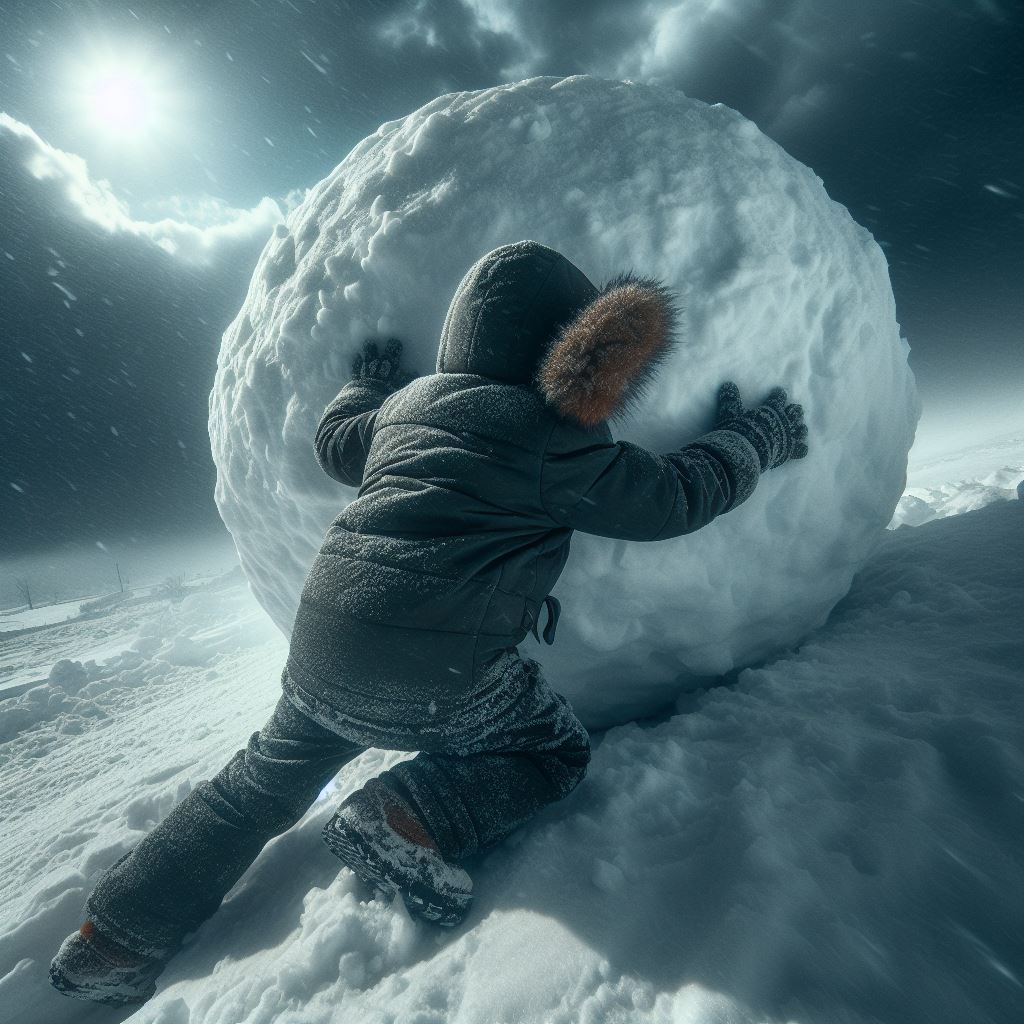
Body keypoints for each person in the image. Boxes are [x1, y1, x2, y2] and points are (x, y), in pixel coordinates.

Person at [50, 239, 809, 1005]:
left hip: (320, 651)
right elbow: (674, 498)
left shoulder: (405, 411)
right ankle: (403, 817)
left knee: (248, 791)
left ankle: (111, 939)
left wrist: (365, 386)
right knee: (549, 750)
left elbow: (334, 444)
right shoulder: (555, 436)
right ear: (570, 344)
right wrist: (754, 439)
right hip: (441, 674)